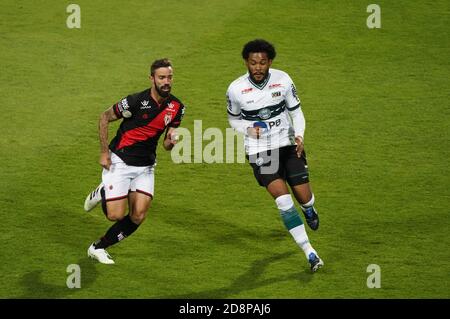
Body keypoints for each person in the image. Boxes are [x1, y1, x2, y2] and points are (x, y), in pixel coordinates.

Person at [226, 39, 323, 272]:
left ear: (269, 62)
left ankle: (309, 209)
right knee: (283, 200)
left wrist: (299, 136)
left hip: (288, 145)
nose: (257, 67)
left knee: (304, 197)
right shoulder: (236, 89)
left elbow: (296, 112)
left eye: (262, 62)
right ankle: (310, 252)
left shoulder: (283, 80)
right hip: (260, 151)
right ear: (246, 63)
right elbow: (233, 119)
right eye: (253, 63)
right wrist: (249, 130)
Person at [84, 58, 185, 264]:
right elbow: (104, 117)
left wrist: (171, 142)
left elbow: (166, 144)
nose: (166, 81)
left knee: (138, 215)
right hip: (120, 160)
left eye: (169, 77)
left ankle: (98, 247)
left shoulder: (176, 107)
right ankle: (103, 191)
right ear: (152, 78)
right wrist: (104, 152)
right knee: (115, 215)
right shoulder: (136, 101)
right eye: (162, 77)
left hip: (146, 166)